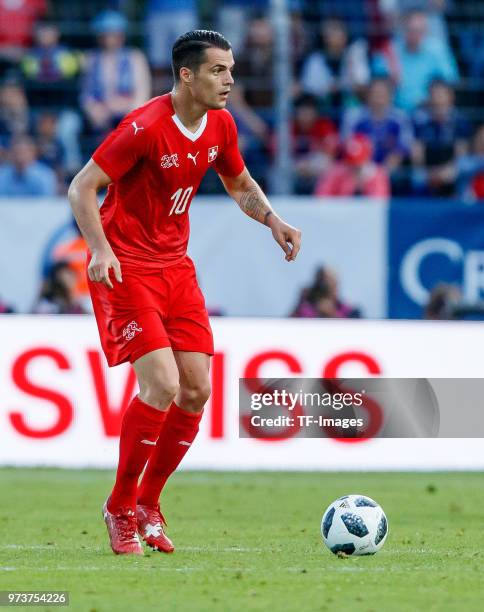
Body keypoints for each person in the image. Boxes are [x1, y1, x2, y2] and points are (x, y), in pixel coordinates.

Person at [68, 30, 301, 556]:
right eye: (219, 70)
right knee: (163, 383)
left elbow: (239, 184)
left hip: (176, 269)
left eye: (231, 69)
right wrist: (101, 250)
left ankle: (149, 502)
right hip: (127, 268)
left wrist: (273, 220)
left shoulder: (220, 123)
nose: (230, 80)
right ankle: (120, 507)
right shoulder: (144, 127)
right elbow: (81, 186)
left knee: (197, 390)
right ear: (186, 75)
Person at [81, 10, 151, 135]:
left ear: (121, 36)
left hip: (128, 116)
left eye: (113, 34)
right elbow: (87, 95)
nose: (109, 39)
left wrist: (128, 114)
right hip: (101, 119)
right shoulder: (91, 59)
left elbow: (142, 93)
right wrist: (96, 112)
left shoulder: (135, 57)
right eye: (105, 35)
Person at [412, 79, 471, 196]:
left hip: (450, 168)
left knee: (461, 171)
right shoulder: (419, 120)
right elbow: (417, 153)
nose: (437, 99)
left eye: (441, 95)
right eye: (433, 95)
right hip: (427, 169)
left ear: (450, 97)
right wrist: (428, 173)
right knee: (417, 177)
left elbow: (461, 153)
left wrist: (446, 172)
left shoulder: (460, 121)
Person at [315, 133, 390, 198]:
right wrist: (350, 184)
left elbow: (378, 205)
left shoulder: (377, 174)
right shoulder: (335, 171)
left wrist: (364, 184)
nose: (354, 166)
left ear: (367, 158)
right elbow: (321, 197)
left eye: (358, 163)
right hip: (337, 213)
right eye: (351, 163)